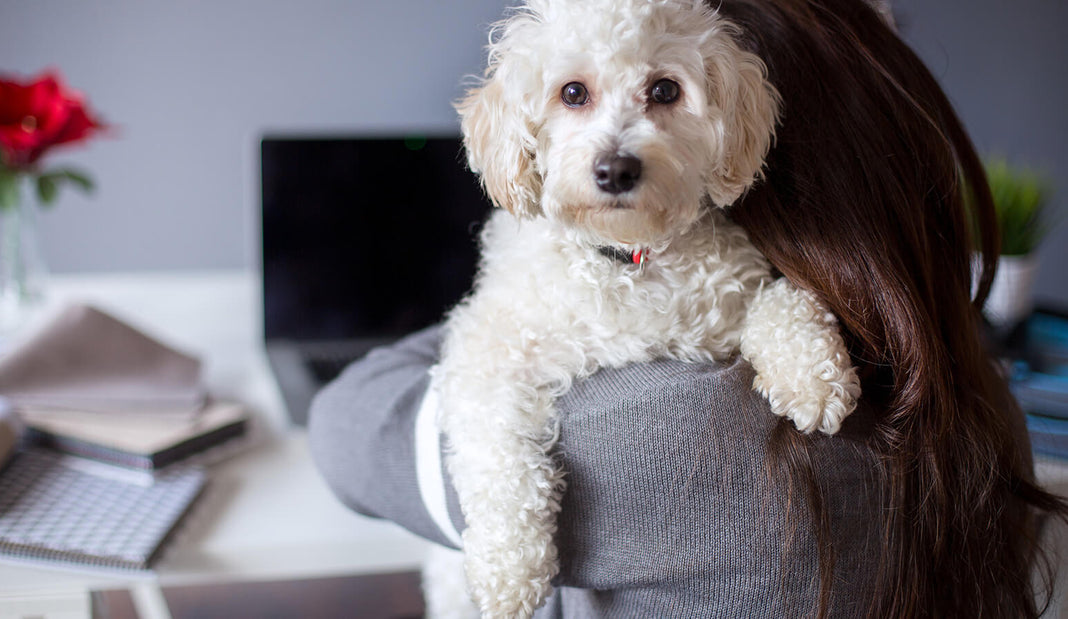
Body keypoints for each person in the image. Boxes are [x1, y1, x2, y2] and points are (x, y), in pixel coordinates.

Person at [310, 0, 1067, 616]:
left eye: (663, 93)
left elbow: (344, 430)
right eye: (575, 96)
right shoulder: (984, 400)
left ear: (756, 154)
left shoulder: (656, 440)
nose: (616, 147)